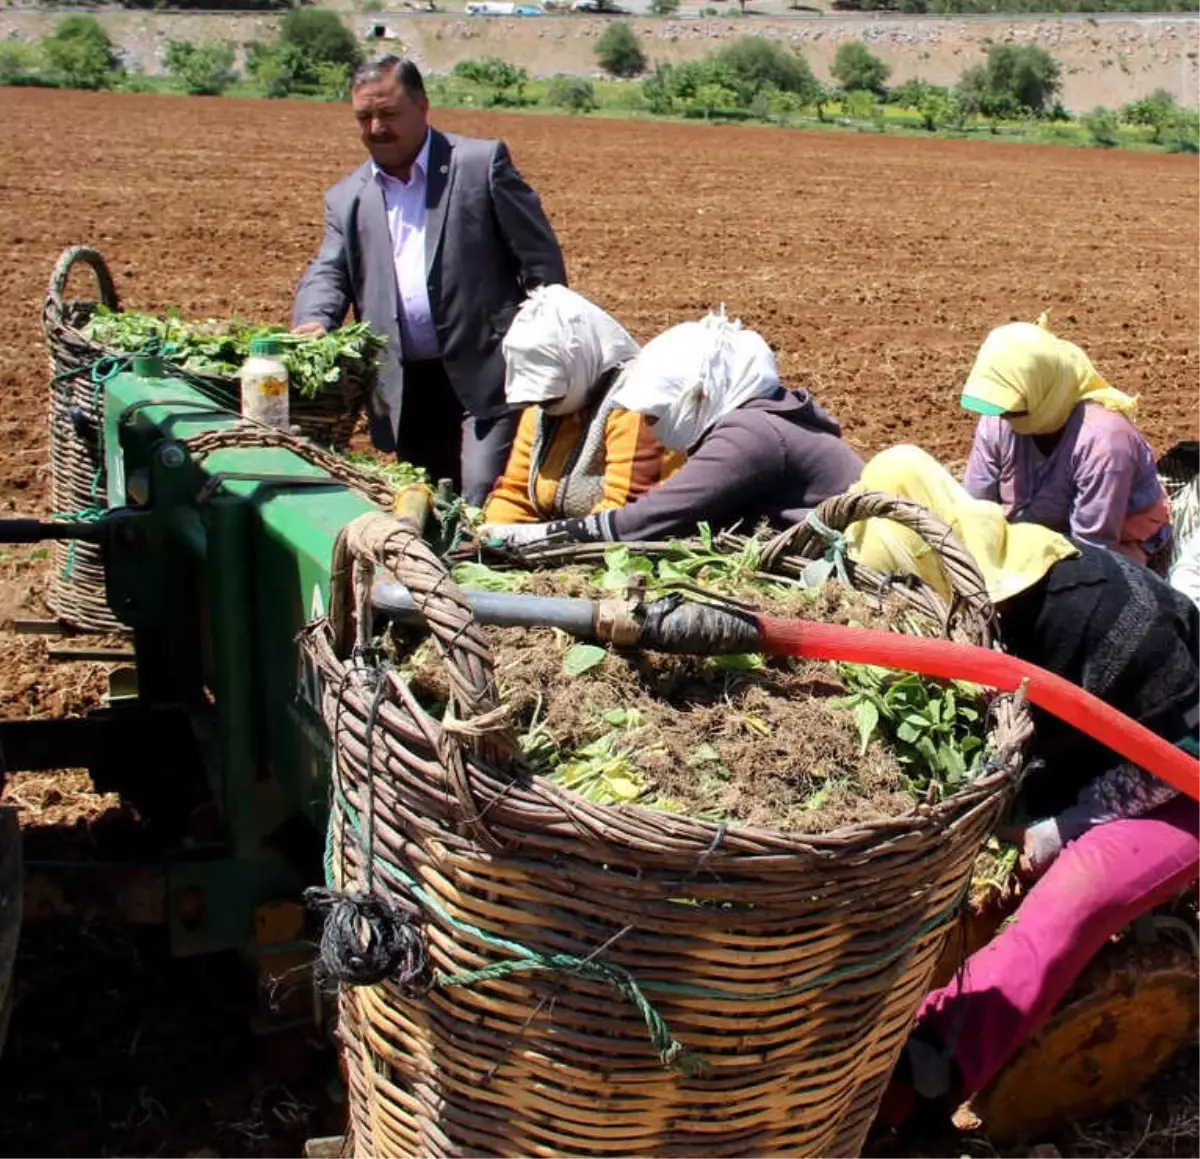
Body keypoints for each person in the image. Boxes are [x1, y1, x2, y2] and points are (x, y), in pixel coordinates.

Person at [843, 445, 1200, 1139]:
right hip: (1097, 767)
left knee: (1082, 890)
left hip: (1180, 775)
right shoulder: (999, 580)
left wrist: (1068, 825)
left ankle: (928, 1073)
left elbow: (1168, 755)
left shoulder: (1075, 607)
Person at [291, 53, 567, 506]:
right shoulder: (348, 198)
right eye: (364, 117)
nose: (377, 128)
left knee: (480, 493)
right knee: (422, 500)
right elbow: (329, 270)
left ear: (422, 106)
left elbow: (541, 263)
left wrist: (542, 341)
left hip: (488, 371)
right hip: (404, 383)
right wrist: (315, 320)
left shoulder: (479, 165)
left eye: (389, 113)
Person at [478, 311, 864, 547]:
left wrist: (521, 539)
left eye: (654, 415)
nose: (648, 426)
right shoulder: (759, 420)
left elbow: (640, 524)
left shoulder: (749, 436)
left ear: (698, 396)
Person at [961, 314, 1171, 568]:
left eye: (1012, 408)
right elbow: (976, 508)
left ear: (1041, 389)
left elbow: (1093, 551)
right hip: (1036, 541)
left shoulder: (1103, 442)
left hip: (1113, 549)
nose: (1004, 417)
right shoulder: (997, 420)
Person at [481, 286, 684, 525]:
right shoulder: (541, 411)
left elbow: (624, 516)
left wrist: (537, 540)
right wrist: (489, 533)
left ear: (578, 364)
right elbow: (516, 493)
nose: (542, 403)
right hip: (560, 543)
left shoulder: (635, 408)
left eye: (549, 393)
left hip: (612, 547)